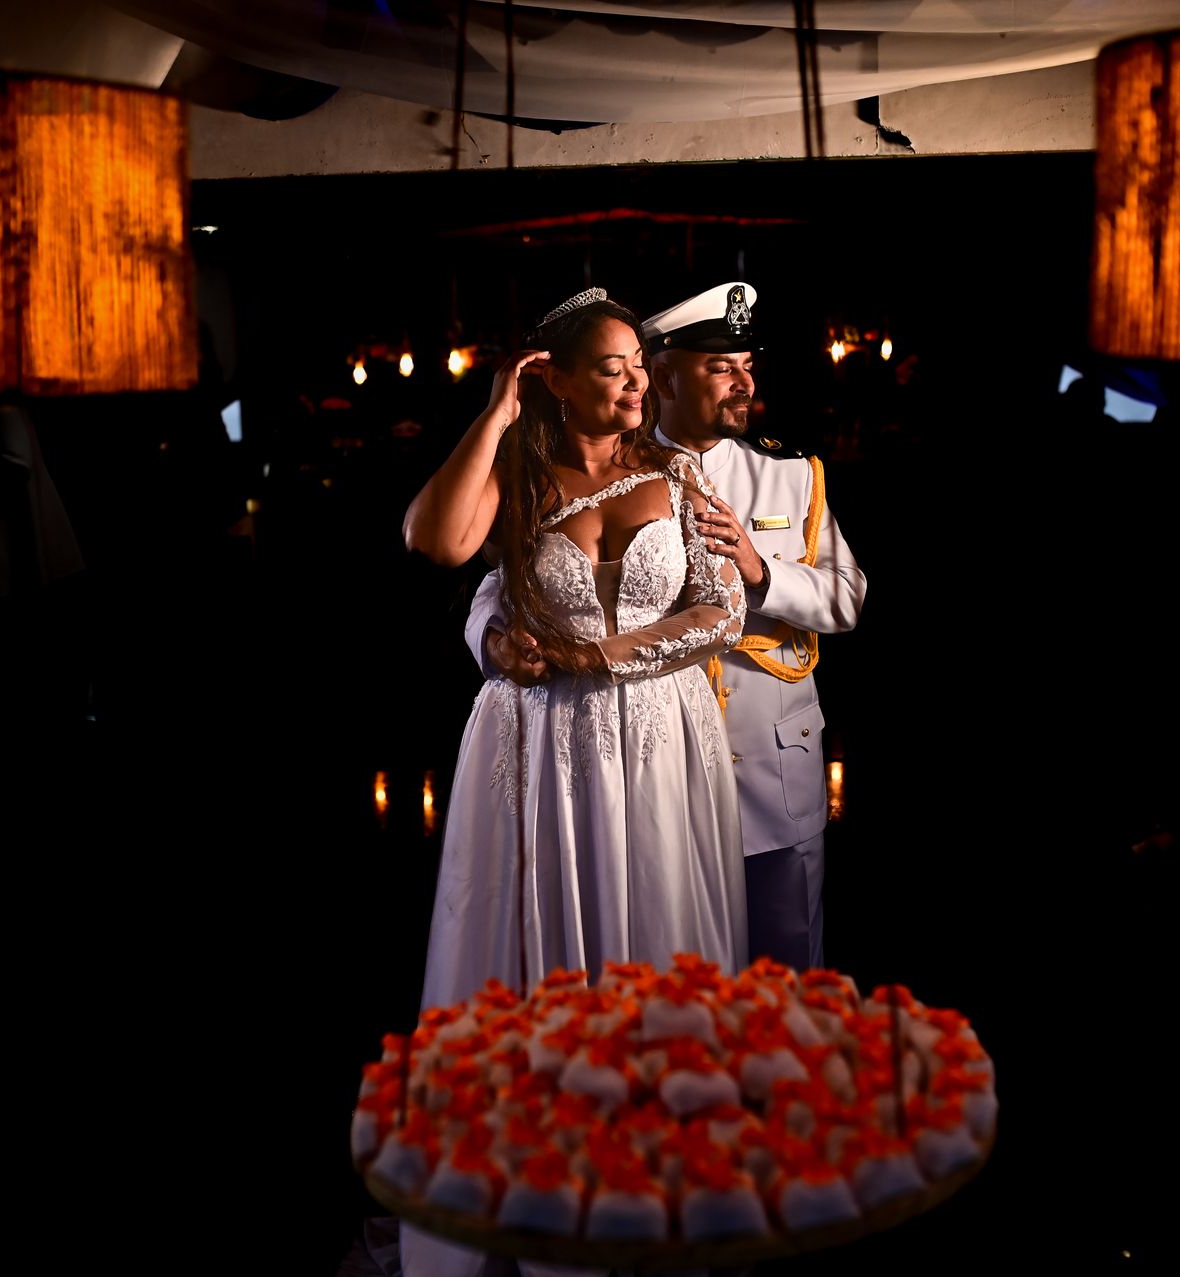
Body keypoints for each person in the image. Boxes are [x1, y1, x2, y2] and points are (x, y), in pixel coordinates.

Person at [400, 286, 750, 1277]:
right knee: (537, 938)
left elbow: (719, 611)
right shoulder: (514, 466)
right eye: (616, 366)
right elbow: (440, 546)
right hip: (541, 745)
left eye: (642, 365)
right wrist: (498, 410)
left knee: (648, 937)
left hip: (651, 739)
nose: (641, 381)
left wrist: (606, 657)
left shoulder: (681, 476)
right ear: (552, 377)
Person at [467, 281, 865, 972]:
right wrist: (491, 640)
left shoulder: (790, 474)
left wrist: (759, 569)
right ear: (668, 375)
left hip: (770, 770)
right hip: (639, 768)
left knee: (787, 972)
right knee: (659, 958)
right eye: (721, 367)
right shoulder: (603, 456)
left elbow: (846, 598)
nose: (743, 383)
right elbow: (506, 580)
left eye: (748, 365)